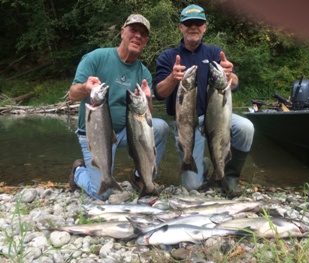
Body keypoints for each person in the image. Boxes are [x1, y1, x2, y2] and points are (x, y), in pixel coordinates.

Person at [153, 4, 254, 196]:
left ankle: (229, 177)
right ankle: (206, 165)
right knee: (191, 187)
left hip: (217, 117)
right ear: (180, 27)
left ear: (205, 27)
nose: (193, 27)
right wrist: (171, 79)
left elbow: (235, 84)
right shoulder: (168, 57)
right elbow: (159, 93)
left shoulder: (215, 53)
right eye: (188, 23)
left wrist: (230, 75)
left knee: (246, 127)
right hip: (187, 123)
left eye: (198, 23)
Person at [68, 14, 169, 200]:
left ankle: (142, 178)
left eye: (143, 34)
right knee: (102, 194)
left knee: (161, 127)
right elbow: (72, 95)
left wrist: (147, 100)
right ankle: (78, 172)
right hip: (95, 134)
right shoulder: (96, 58)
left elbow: (147, 119)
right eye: (133, 30)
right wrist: (86, 88)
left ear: (146, 41)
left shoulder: (143, 72)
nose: (138, 36)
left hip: (125, 133)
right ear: (123, 32)